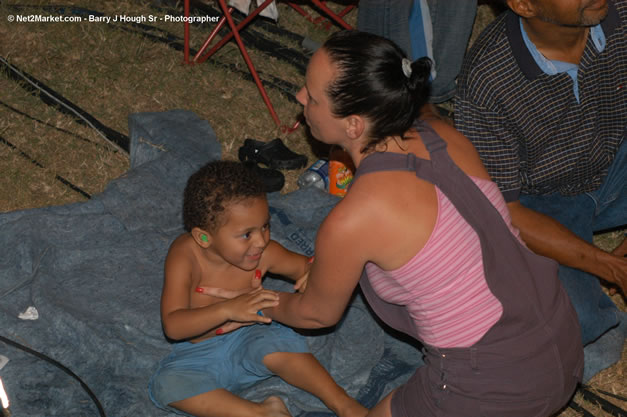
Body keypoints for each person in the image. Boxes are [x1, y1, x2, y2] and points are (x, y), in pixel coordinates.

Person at [211, 30, 583, 416]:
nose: (299, 98)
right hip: (561, 340)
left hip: (489, 384)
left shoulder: (355, 218)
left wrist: (256, 305)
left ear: (354, 126)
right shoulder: (443, 134)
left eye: (312, 95)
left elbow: (315, 313)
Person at [454, 0, 626, 379]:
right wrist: (611, 267)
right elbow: (506, 210)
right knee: (575, 329)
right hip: (548, 200)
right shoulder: (487, 81)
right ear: (523, 4)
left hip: (617, 154)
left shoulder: (619, 13)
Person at [148, 160, 367, 417]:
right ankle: (261, 412)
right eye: (246, 234)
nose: (262, 240)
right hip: (198, 352)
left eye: (265, 226)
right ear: (204, 237)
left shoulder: (264, 253)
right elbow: (173, 326)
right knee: (167, 384)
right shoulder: (185, 256)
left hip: (253, 335)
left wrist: (314, 273)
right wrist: (229, 309)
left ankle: (344, 404)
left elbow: (309, 267)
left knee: (278, 347)